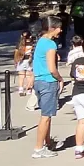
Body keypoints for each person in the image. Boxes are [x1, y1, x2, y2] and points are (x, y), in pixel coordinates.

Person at [31, 16, 63, 158]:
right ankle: (38, 148)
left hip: (39, 81)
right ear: (52, 28)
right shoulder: (51, 44)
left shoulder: (40, 42)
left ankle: (48, 142)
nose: (60, 31)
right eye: (59, 28)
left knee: (47, 114)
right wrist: (60, 79)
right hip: (48, 81)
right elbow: (52, 68)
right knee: (46, 117)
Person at [13, 31, 35, 99]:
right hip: (29, 61)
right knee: (29, 75)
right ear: (30, 36)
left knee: (21, 76)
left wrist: (15, 61)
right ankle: (29, 89)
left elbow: (16, 52)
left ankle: (21, 89)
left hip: (21, 60)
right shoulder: (32, 44)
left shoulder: (20, 44)